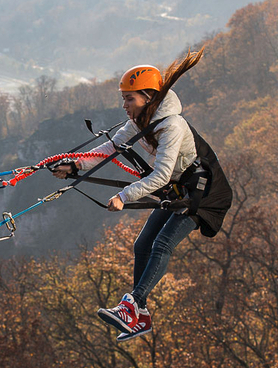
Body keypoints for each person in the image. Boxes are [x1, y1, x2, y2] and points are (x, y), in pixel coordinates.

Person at [52, 48, 232, 342]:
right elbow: (109, 149)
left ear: (148, 97)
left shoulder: (172, 125)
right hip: (180, 189)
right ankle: (141, 318)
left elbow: (160, 174)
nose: (124, 104)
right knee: (142, 245)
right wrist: (75, 165)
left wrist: (125, 196)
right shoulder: (139, 122)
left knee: (162, 244)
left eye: (129, 98)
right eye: (123, 97)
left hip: (205, 194)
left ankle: (132, 305)